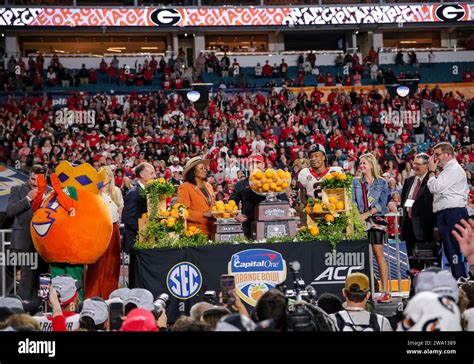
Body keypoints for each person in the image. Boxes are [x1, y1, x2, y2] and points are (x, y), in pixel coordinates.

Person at [352, 153, 391, 303]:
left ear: (371, 165)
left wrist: (367, 214)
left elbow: (382, 204)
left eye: (364, 163)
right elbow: (353, 202)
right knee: (361, 254)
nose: (361, 166)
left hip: (375, 220)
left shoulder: (382, 182)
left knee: (378, 252)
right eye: (360, 163)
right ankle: (363, 291)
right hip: (359, 221)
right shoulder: (355, 182)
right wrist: (358, 218)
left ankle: (385, 290)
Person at [427, 142, 469, 279]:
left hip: (453, 213)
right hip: (448, 213)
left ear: (448, 154)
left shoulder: (453, 169)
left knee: (454, 250)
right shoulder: (448, 170)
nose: (435, 158)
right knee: (451, 251)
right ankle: (459, 280)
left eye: (437, 155)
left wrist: (431, 171)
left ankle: (461, 282)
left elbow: (435, 188)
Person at [6, 164, 48, 302]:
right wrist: (27, 199)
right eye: (32, 179)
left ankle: (40, 307)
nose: (34, 182)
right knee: (26, 278)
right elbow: (10, 211)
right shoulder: (17, 189)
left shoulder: (48, 191)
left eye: (38, 179)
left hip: (43, 243)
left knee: (42, 278)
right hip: (23, 243)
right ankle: (23, 310)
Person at [85, 166, 123, 299]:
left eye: (106, 175)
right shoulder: (95, 192)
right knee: (97, 264)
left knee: (112, 264)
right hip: (99, 231)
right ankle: (92, 294)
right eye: (101, 175)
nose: (104, 178)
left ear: (110, 177)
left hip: (114, 230)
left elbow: (119, 213)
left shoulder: (117, 192)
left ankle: (109, 294)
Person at [231, 154, 287, 238]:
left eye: (257, 163)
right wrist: (235, 215)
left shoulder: (273, 181)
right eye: (251, 163)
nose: (254, 166)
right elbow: (231, 203)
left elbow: (284, 201)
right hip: (249, 226)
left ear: (263, 165)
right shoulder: (241, 185)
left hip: (273, 225)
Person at [400, 153, 436, 270]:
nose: (414, 166)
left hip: (425, 231)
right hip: (409, 230)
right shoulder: (408, 181)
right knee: (413, 266)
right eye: (413, 163)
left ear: (426, 166)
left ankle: (430, 288)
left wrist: (435, 227)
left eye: (418, 164)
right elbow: (403, 203)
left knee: (429, 266)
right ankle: (415, 288)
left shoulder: (432, 181)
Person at [298, 144, 343, 216]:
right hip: (314, 216)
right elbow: (303, 201)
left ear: (324, 157)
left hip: (334, 215)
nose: (313, 159)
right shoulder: (304, 173)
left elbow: (344, 196)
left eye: (316, 156)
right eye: (311, 157)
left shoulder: (336, 172)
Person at [176, 156, 215, 238]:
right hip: (194, 232)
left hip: (212, 231)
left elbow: (213, 206)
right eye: (201, 168)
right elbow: (182, 211)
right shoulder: (185, 187)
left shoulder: (209, 186)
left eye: (205, 168)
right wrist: (203, 214)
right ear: (193, 171)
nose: (205, 170)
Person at [122, 162, 156, 254]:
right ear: (142, 175)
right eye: (151, 173)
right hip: (135, 241)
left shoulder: (151, 191)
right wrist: (144, 230)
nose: (154, 176)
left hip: (144, 240)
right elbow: (127, 218)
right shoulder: (133, 193)